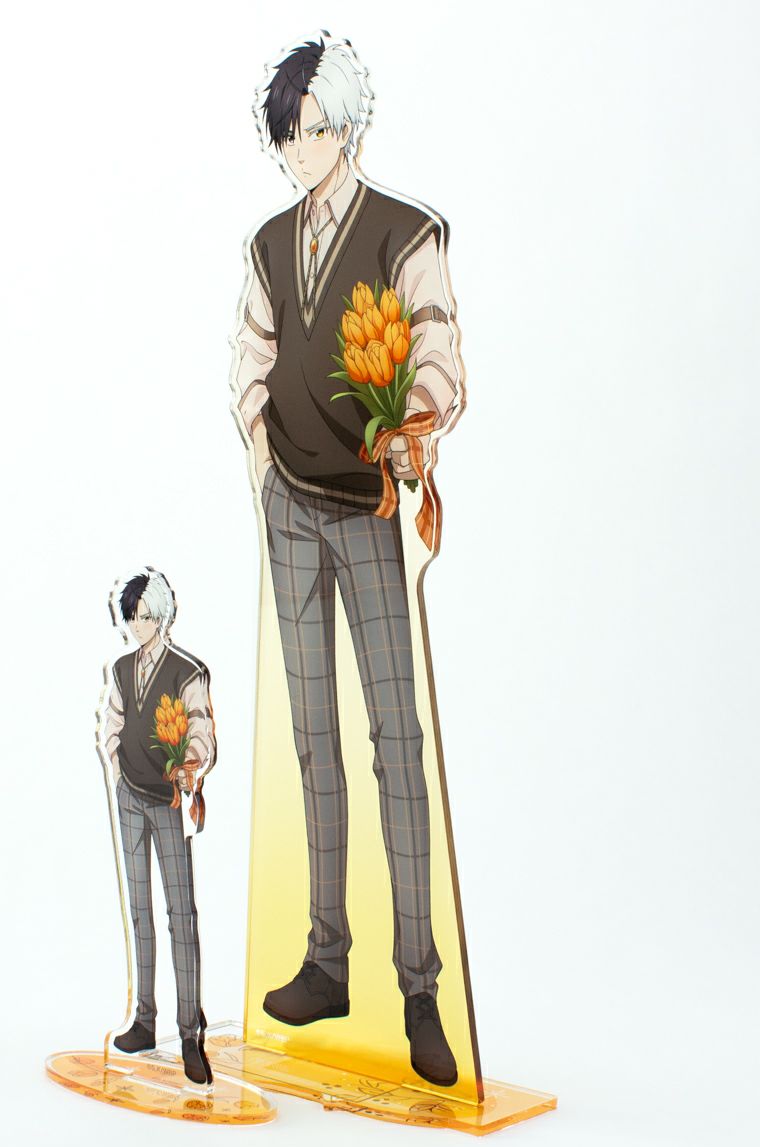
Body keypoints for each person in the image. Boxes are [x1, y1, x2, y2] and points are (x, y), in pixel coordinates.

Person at [233, 36, 463, 1087]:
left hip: (367, 505)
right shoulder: (268, 242)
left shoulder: (404, 232)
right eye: (286, 135)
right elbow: (251, 355)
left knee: (395, 738)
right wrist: (259, 456)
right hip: (289, 500)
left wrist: (413, 427)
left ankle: (420, 986)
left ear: (349, 127)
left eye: (314, 130)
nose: (299, 152)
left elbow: (438, 347)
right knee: (311, 733)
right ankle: (328, 960)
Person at [100, 569, 215, 1085]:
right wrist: (116, 763)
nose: (138, 626)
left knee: (180, 915)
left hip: (169, 801)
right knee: (140, 909)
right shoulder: (122, 668)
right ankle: (144, 1019)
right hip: (129, 795)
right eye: (132, 617)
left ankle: (190, 1033)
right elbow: (112, 722)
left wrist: (190, 765)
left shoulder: (187, 672)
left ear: (163, 616)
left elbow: (201, 729)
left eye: (146, 616)